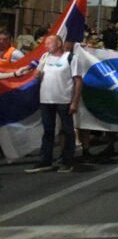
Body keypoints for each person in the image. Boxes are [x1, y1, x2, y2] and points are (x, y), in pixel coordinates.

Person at [24, 37, 82, 173]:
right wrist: (36, 74)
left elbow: (78, 81)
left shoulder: (70, 58)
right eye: (45, 43)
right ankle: (45, 160)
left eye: (49, 43)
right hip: (46, 100)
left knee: (67, 131)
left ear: (59, 43)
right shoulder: (45, 57)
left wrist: (75, 101)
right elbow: (37, 74)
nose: (46, 45)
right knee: (48, 131)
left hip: (64, 100)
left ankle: (67, 161)